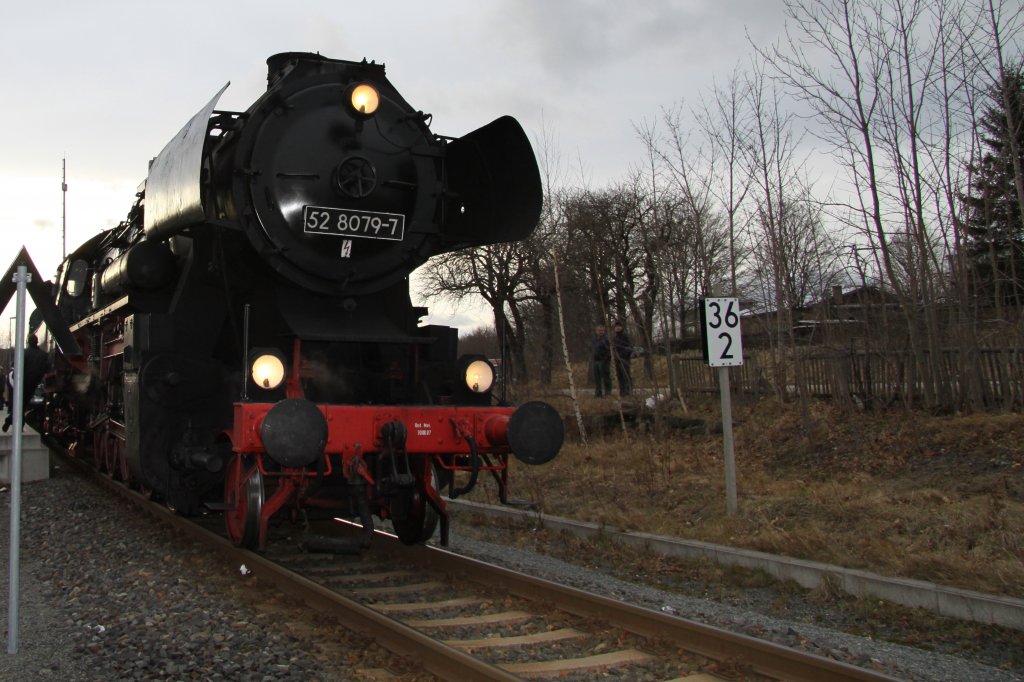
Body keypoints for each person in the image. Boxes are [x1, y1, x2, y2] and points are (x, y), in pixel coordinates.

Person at [3, 334, 50, 432]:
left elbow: (17, 368)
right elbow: (47, 369)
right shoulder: (44, 355)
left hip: (22, 383)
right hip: (33, 385)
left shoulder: (24, 353)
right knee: (23, 405)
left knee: (19, 405)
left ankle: (10, 421)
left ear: (29, 342)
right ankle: (19, 424)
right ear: (37, 342)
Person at [612, 320, 633, 396]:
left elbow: (629, 348)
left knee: (626, 375)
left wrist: (622, 355)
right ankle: (622, 391)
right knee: (620, 376)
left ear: (622, 327)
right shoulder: (614, 338)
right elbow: (613, 349)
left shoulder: (625, 336)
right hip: (617, 360)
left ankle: (629, 391)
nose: (617, 328)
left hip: (624, 359)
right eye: (616, 327)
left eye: (619, 326)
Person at [591, 324, 612, 397]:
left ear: (604, 331)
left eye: (602, 330)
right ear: (596, 331)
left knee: (606, 377)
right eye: (599, 330)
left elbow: (609, 350)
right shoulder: (594, 339)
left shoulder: (606, 339)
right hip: (595, 360)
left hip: (604, 361)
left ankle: (608, 392)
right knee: (597, 378)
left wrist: (606, 359)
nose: (600, 332)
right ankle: (598, 393)